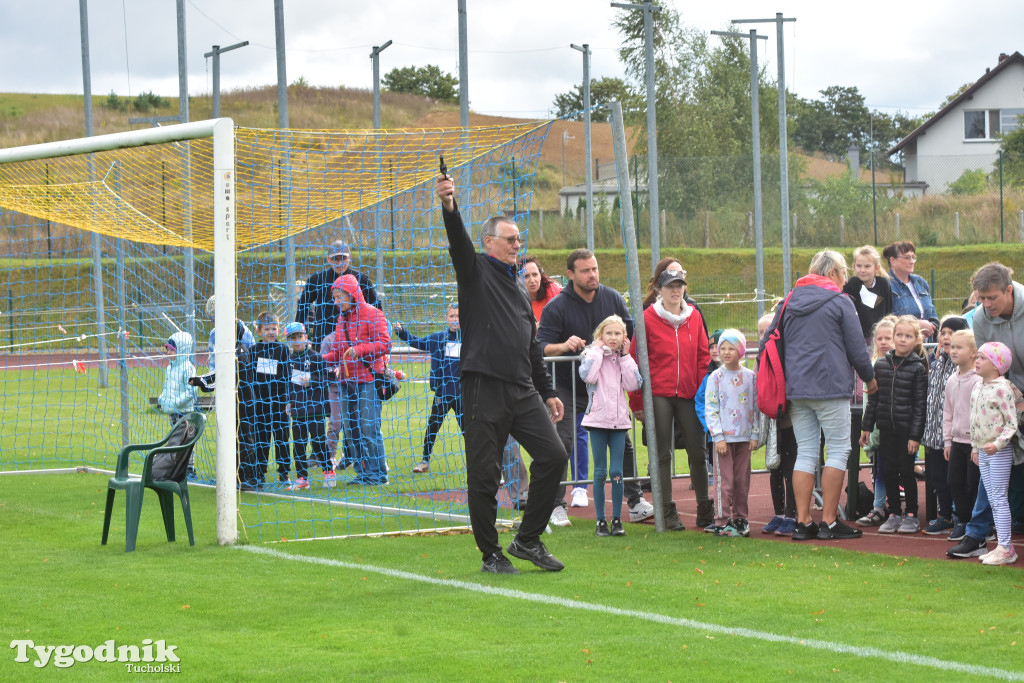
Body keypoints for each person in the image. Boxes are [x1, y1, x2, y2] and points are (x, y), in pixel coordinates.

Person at [436, 172, 568, 575]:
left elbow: (531, 347)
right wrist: (449, 204)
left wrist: (546, 391)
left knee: (554, 455)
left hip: (523, 390)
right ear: (489, 242)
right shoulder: (473, 270)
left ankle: (527, 539)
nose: (517, 245)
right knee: (485, 474)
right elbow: (458, 239)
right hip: (483, 388)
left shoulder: (517, 288)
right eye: (510, 239)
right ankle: (490, 553)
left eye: (518, 239)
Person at [760, 250, 876, 541]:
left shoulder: (788, 302)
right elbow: (857, 348)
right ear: (835, 273)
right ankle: (829, 521)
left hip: (796, 389)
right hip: (831, 386)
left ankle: (802, 521)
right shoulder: (840, 301)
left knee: (807, 452)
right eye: (844, 272)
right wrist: (870, 380)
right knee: (838, 450)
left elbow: (768, 343)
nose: (846, 278)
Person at [537, 248, 654, 527]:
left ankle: (635, 501)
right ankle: (555, 505)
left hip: (606, 389)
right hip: (567, 387)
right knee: (561, 444)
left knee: (623, 444)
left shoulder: (612, 298)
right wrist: (565, 346)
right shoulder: (557, 306)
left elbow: (629, 332)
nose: (593, 275)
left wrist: (621, 347)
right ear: (570, 275)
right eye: (586, 270)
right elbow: (540, 347)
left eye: (595, 269)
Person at [629, 269, 714, 531]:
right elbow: (635, 361)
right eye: (670, 287)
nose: (676, 291)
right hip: (660, 394)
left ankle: (704, 506)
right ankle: (666, 509)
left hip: (689, 394)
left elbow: (703, 357)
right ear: (658, 290)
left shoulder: (695, 317)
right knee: (661, 452)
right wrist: (637, 403)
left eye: (679, 286)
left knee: (698, 452)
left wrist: (702, 395)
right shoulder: (647, 319)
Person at [949, 263, 1024, 558]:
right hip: (1007, 396)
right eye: (981, 298)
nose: (986, 305)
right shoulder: (980, 318)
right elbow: (992, 366)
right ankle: (978, 534)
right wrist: (1011, 399)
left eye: (992, 297)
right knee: (992, 464)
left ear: (1009, 289)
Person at [861, 315, 928, 534]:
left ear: (916, 339)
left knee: (906, 473)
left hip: (906, 432)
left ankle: (911, 514)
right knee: (888, 471)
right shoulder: (881, 365)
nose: (902, 340)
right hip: (886, 430)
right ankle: (894, 513)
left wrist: (915, 436)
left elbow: (920, 405)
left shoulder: (918, 368)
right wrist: (866, 427)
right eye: (899, 335)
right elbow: (874, 400)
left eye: (908, 336)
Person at [322, 274, 391, 486]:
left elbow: (385, 344)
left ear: (351, 294)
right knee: (351, 430)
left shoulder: (373, 314)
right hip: (346, 381)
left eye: (338, 297)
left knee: (368, 427)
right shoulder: (341, 320)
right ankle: (363, 473)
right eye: (334, 298)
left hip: (368, 379)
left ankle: (378, 474)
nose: (336, 302)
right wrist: (317, 359)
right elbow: (336, 352)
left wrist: (359, 350)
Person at [579, 315, 642, 538]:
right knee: (600, 472)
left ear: (624, 337)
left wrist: (625, 357)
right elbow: (588, 376)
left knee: (616, 472)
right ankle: (600, 521)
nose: (613, 338)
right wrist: (596, 351)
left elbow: (634, 383)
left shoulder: (624, 359)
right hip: (597, 421)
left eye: (617, 334)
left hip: (618, 423)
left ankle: (617, 519)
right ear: (600, 336)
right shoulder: (591, 355)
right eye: (609, 333)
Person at [968, 342, 1021, 565]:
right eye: (977, 357)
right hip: (983, 450)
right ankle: (1002, 546)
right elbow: (975, 420)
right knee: (992, 498)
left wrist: (998, 445)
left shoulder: (1002, 388)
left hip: (997, 451)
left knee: (999, 498)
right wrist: (975, 447)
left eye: (982, 358)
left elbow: (1011, 423)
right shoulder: (977, 386)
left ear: (997, 365)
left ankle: (1006, 548)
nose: (977, 361)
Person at [393, 304, 463, 475]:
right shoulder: (438, 338)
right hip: (443, 393)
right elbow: (417, 342)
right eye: (452, 316)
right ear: (446, 318)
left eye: (458, 316)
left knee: (470, 430)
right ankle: (425, 460)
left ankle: (480, 465)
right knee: (433, 426)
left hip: (464, 394)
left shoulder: (471, 338)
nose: (455, 319)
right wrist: (401, 333)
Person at [704, 329, 758, 537]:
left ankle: (740, 518)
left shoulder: (750, 377)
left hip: (744, 438)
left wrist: (754, 434)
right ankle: (721, 519)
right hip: (724, 440)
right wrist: (717, 436)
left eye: (731, 348)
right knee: (724, 481)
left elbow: (755, 406)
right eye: (722, 348)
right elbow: (711, 407)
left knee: (741, 481)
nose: (726, 352)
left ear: (741, 351)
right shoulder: (715, 377)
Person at [921, 316, 969, 534]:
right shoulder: (936, 362)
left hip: (952, 436)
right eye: (943, 332)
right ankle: (946, 517)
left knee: (956, 481)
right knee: (938, 479)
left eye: (952, 333)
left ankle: (961, 518)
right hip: (933, 434)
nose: (946, 337)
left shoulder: (963, 367)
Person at [756, 313, 797, 537]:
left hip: (790, 419)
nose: (764, 336)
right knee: (774, 468)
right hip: (772, 421)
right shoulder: (760, 358)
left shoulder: (786, 353)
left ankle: (793, 513)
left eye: (768, 331)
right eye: (761, 332)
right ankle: (779, 513)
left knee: (791, 468)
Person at [297, 240, 380, 348]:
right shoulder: (316, 280)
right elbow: (302, 307)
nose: (339, 263)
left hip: (354, 340)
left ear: (350, 257)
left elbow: (376, 308)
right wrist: (298, 334)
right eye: (335, 259)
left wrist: (377, 335)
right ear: (328, 259)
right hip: (323, 341)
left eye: (343, 258)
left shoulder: (362, 280)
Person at [854, 315, 897, 527]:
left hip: (897, 428)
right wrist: (868, 427)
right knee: (880, 470)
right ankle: (879, 506)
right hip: (878, 429)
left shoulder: (903, 365)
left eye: (887, 337)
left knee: (899, 471)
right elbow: (869, 402)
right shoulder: (872, 365)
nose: (883, 342)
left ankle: (902, 510)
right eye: (879, 338)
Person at [283, 322, 333, 491]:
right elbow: (288, 384)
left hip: (315, 409)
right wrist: (288, 401)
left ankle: (329, 472)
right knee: (298, 445)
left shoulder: (315, 357)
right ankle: (302, 478)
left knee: (318, 442)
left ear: (306, 337)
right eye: (292, 338)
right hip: (298, 410)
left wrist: (312, 380)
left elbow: (327, 378)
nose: (297, 341)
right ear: (288, 341)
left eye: (300, 337)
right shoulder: (288, 360)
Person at [943, 329, 982, 542]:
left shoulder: (978, 380)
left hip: (973, 444)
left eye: (959, 347)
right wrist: (947, 440)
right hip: (957, 442)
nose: (954, 350)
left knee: (972, 484)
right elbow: (948, 412)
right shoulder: (951, 380)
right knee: (953, 482)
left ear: (974, 353)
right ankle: (963, 520)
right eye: (952, 347)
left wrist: (977, 444)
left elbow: (978, 415)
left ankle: (976, 524)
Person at [248, 311, 292, 487]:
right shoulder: (254, 351)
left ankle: (284, 472)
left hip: (280, 403)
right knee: (261, 439)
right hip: (260, 404)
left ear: (279, 330)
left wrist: (288, 399)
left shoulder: (282, 349)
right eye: (267, 329)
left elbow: (288, 376)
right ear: (259, 331)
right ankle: (259, 472)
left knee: (282, 438)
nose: (270, 332)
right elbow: (250, 377)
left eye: (274, 328)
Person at [883, 241, 939, 341]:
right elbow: (885, 322)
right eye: (907, 257)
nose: (912, 261)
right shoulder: (885, 285)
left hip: (926, 347)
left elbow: (933, 316)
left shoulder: (921, 282)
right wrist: (916, 325)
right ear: (893, 260)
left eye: (913, 257)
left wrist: (930, 328)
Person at [843, 245, 892, 342]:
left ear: (877, 268)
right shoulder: (852, 285)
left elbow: (889, 311)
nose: (862, 270)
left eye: (867, 266)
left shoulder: (883, 284)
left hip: (881, 338)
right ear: (854, 267)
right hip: (858, 338)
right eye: (859, 266)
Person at [158, 331, 196, 426]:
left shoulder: (188, 368)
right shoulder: (170, 368)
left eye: (172, 350)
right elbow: (167, 387)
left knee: (183, 438)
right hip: (173, 412)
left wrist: (176, 403)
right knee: (175, 436)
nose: (169, 353)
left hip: (184, 412)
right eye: (168, 349)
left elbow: (191, 391)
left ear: (181, 350)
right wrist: (162, 398)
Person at [520, 255, 562, 323]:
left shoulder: (556, 293)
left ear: (540, 276)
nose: (532, 280)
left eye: (535, 274)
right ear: (518, 279)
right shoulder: (516, 303)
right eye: (526, 276)